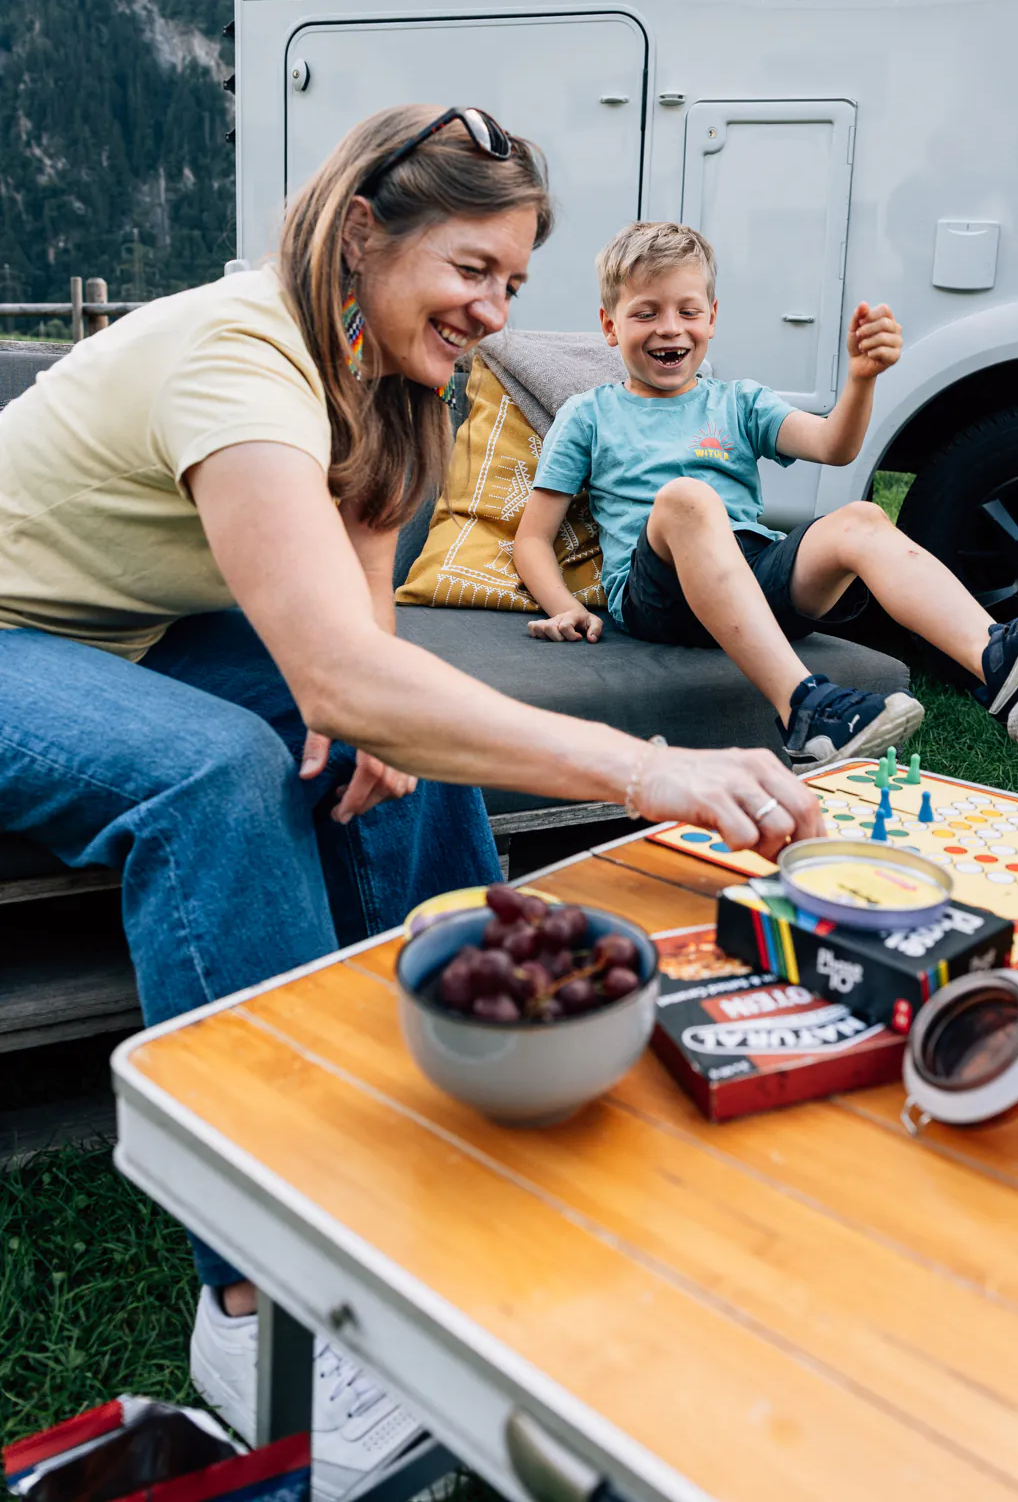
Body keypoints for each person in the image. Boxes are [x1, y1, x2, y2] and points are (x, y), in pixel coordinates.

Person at [0, 119, 821, 1497]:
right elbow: (333, 674)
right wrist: (645, 769)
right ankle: (256, 1297)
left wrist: (372, 719)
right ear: (362, 235)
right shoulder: (240, 355)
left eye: (514, 283)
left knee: (406, 733)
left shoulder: (388, 374)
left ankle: (458, 1092)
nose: (494, 311)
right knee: (217, 775)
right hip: (15, 634)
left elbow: (367, 641)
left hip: (122, 631)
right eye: (472, 269)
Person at [514, 221, 1018, 764]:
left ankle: (1000, 667)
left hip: (752, 572)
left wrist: (860, 380)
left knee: (861, 518)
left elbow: (835, 445)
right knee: (687, 498)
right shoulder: (589, 414)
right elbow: (533, 540)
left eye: (687, 311)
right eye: (645, 313)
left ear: (712, 318)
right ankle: (803, 707)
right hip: (659, 597)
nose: (669, 328)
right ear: (609, 325)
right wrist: (565, 606)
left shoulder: (738, 402)